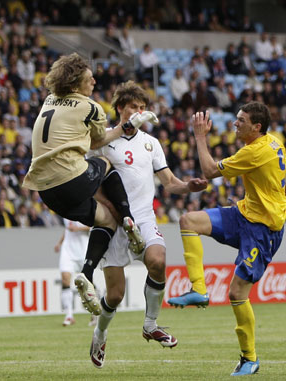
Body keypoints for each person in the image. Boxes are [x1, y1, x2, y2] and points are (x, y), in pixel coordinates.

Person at [22, 53, 158, 315]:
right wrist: (128, 126)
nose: (94, 81)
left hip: (45, 190)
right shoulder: (91, 107)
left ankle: (86, 274)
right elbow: (98, 142)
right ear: (75, 83)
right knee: (106, 162)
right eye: (88, 78)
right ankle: (129, 219)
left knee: (106, 220)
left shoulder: (49, 100)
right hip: (70, 179)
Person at [88, 81, 208, 368]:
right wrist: (107, 209)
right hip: (114, 224)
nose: (139, 113)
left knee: (158, 259)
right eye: (133, 108)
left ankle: (151, 324)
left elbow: (168, 182)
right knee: (115, 295)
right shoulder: (103, 140)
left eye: (142, 108)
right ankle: (100, 333)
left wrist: (188, 186)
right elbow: (91, 182)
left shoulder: (151, 143)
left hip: (142, 218)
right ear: (120, 108)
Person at [167, 102, 286, 376]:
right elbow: (284, 177)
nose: (235, 123)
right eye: (236, 119)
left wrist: (200, 136)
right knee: (188, 221)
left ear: (256, 127)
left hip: (263, 231)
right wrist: (261, 197)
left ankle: (250, 358)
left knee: (236, 293)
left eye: (241, 120)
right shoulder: (275, 144)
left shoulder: (255, 151)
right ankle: (199, 290)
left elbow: (210, 171)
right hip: (245, 213)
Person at [54, 218, 94, 326]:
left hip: (83, 250)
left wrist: (77, 228)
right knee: (65, 279)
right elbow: (68, 229)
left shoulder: (84, 207)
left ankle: (95, 313)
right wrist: (60, 243)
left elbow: (93, 226)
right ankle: (69, 315)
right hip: (68, 249)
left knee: (87, 283)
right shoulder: (66, 210)